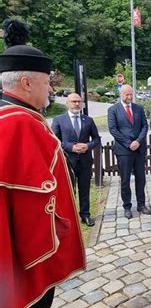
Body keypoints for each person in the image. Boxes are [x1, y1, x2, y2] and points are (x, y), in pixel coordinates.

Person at [0, 22, 85, 308]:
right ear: (26, 82)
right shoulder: (18, 124)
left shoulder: (22, 118)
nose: (51, 89)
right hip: (23, 264)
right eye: (46, 82)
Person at [51, 93, 100, 226]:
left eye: (79, 101)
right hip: (68, 161)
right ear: (67, 103)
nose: (77, 104)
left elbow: (97, 139)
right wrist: (71, 147)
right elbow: (55, 141)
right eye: (74, 101)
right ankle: (69, 216)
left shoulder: (88, 120)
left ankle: (85, 215)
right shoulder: (59, 120)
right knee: (68, 191)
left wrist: (87, 145)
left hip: (85, 161)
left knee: (84, 189)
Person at [108, 84, 150, 219]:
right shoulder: (113, 110)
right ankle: (127, 206)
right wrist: (128, 143)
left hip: (139, 149)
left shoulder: (139, 109)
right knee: (125, 179)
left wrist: (138, 141)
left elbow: (145, 126)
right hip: (124, 150)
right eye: (127, 94)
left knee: (141, 178)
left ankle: (141, 204)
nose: (130, 97)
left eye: (131, 94)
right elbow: (113, 130)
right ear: (121, 94)